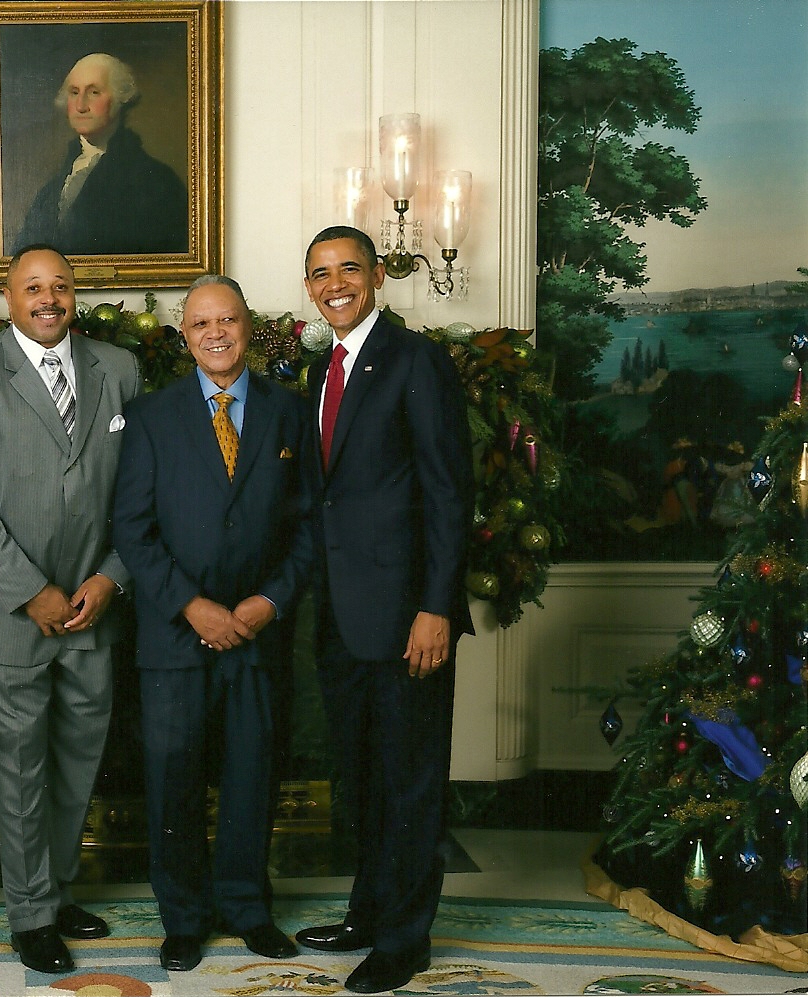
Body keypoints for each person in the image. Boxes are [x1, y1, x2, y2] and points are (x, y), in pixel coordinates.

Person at [0, 244, 141, 974]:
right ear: (8, 299)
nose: (48, 299)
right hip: (10, 608)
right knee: (21, 764)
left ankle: (57, 891)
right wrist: (32, 591)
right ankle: (30, 915)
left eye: (59, 286)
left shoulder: (119, 369)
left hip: (94, 603)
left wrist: (112, 577)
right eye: (32, 287)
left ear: (74, 293)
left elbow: (138, 491)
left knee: (81, 755)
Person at [111, 275, 313, 972]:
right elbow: (132, 528)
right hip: (175, 633)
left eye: (227, 320)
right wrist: (191, 605)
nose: (216, 334)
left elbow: (309, 526)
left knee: (253, 773)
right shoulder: (150, 417)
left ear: (248, 327)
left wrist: (269, 602)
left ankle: (248, 908)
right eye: (201, 324)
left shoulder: (290, 412)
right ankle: (184, 918)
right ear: (184, 336)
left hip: (258, 631)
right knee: (173, 778)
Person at [293, 226, 474, 994]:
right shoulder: (321, 368)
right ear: (309, 287)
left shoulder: (415, 359)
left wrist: (436, 607)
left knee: (408, 782)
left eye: (348, 269)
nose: (334, 283)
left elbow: (448, 491)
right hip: (341, 616)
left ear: (376, 277)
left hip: (407, 618)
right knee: (363, 778)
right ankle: (367, 914)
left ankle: (404, 940)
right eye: (320, 273)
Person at [13, 53, 188, 256]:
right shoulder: (51, 190)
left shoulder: (157, 182)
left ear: (120, 99)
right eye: (74, 92)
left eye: (94, 92)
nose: (80, 106)